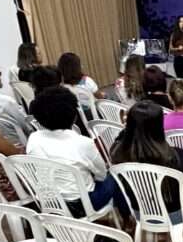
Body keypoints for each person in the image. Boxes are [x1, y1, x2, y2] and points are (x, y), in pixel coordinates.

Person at [110, 101, 183, 242]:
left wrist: (128, 129)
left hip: (142, 213)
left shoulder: (118, 155)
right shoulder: (176, 155)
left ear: (129, 125)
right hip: (176, 214)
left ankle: (164, 238)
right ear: (159, 125)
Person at [26, 86, 128, 218]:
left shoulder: (34, 138)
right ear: (74, 116)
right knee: (117, 174)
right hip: (83, 205)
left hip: (50, 203)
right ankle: (127, 218)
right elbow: (101, 175)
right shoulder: (83, 143)